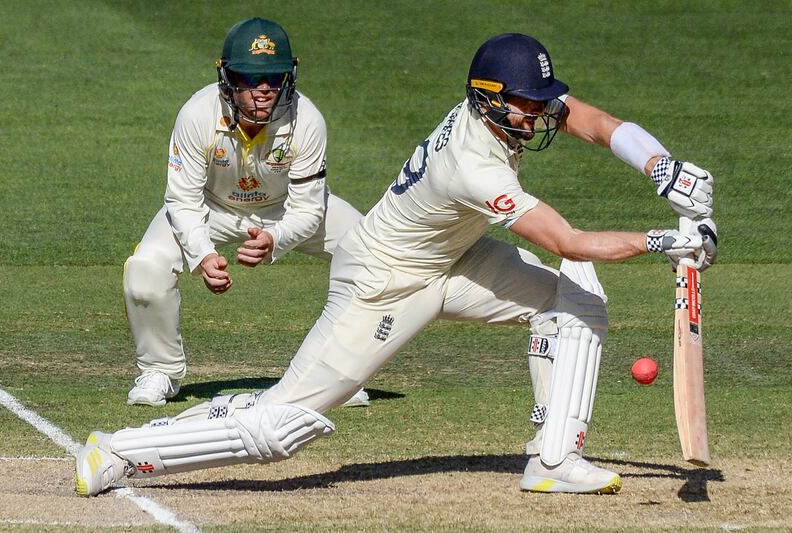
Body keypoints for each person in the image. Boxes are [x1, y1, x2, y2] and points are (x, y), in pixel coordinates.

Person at [75, 33, 718, 497]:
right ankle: (120, 453)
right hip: (383, 281)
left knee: (575, 305)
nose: (539, 113)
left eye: (539, 100)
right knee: (284, 427)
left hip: (453, 258)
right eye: (527, 102)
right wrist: (669, 240)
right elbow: (568, 241)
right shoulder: (473, 163)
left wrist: (664, 170)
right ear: (490, 99)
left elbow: (600, 123)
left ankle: (553, 460)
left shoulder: (506, 115)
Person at [123, 17, 369, 408]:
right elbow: (182, 199)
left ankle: (338, 376)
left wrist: (276, 240)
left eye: (274, 78)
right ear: (227, 78)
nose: (263, 91)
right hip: (210, 206)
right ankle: (160, 371)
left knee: (371, 253)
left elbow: (308, 207)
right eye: (249, 79)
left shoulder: (307, 119)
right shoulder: (197, 114)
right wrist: (203, 254)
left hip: (283, 208)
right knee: (145, 270)